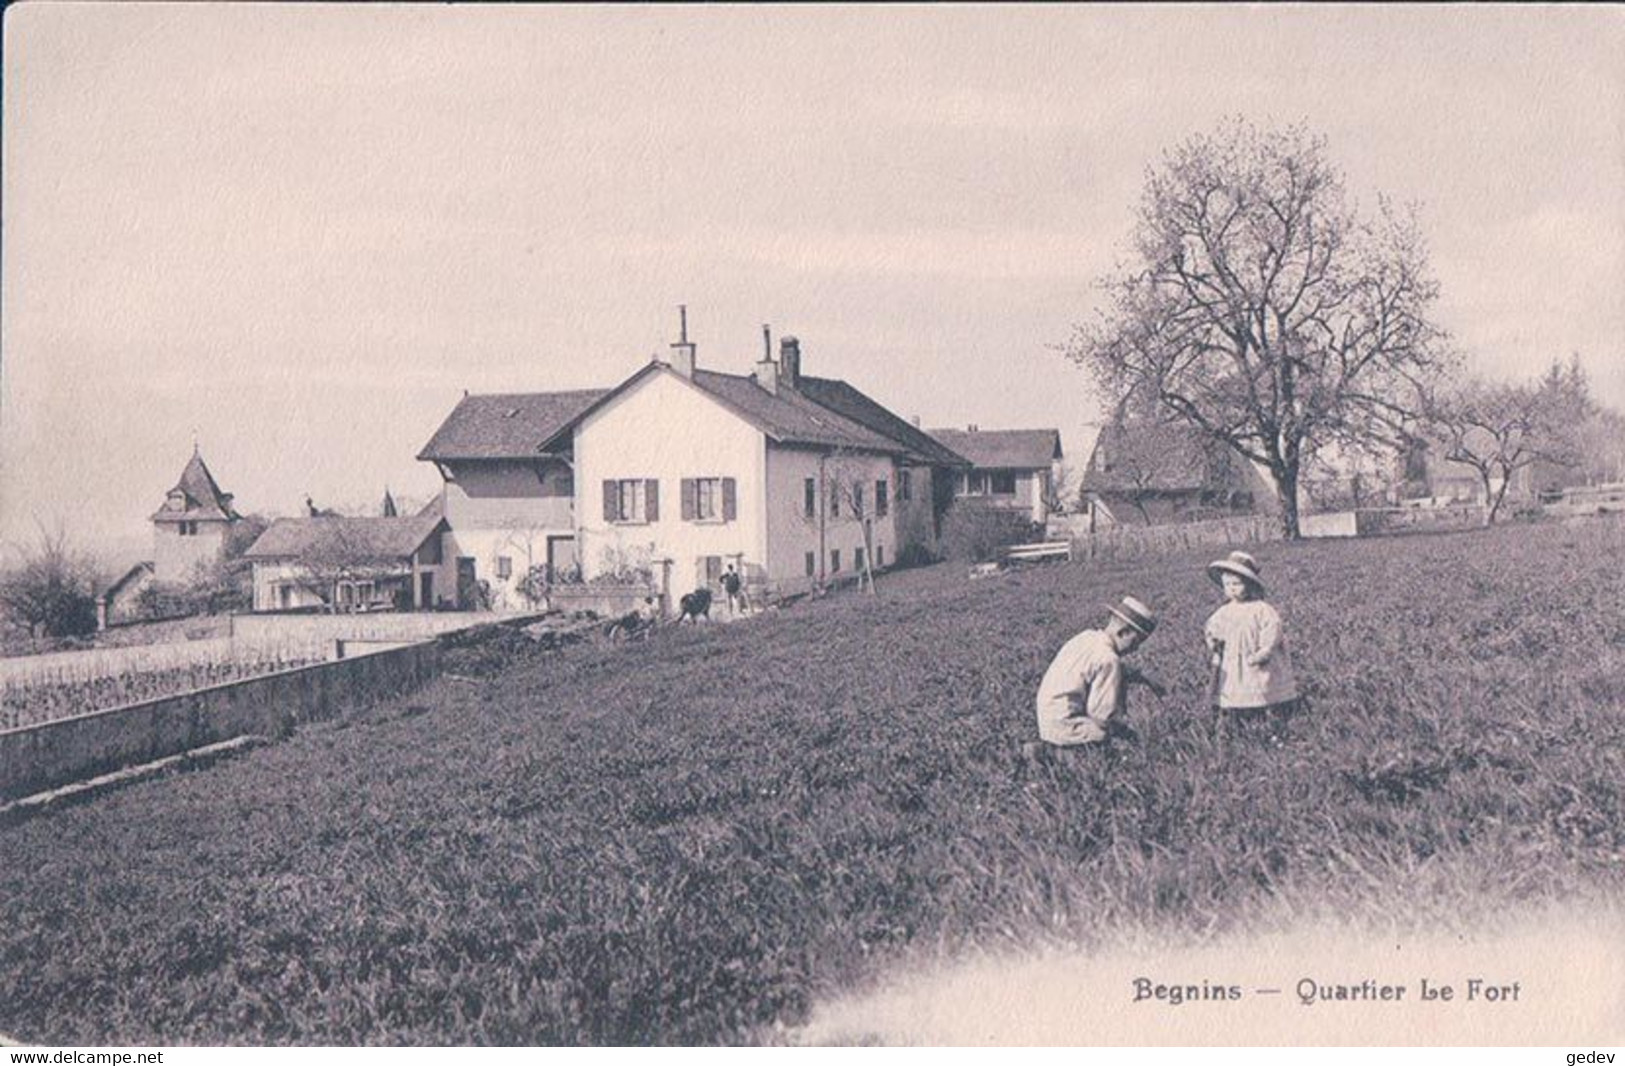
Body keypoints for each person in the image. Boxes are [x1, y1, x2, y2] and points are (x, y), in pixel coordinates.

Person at [1029, 595, 1164, 760]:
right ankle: (1057, 754)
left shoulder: (1087, 637)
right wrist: (1129, 733)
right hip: (1067, 725)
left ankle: (1050, 748)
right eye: (1136, 642)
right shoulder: (1109, 659)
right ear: (1124, 632)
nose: (1135, 649)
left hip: (1047, 719)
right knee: (1106, 741)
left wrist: (1145, 679)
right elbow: (1102, 716)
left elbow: (1113, 668)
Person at [1203, 551, 1300, 741]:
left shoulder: (1261, 609)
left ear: (1249, 584)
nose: (1231, 589)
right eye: (1227, 585)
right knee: (1233, 687)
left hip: (1253, 657)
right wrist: (1213, 641)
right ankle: (1236, 718)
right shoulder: (1224, 611)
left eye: (1236, 584)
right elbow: (1211, 627)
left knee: (1259, 684)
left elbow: (1272, 628)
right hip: (1232, 659)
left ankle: (1267, 717)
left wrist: (1265, 649)